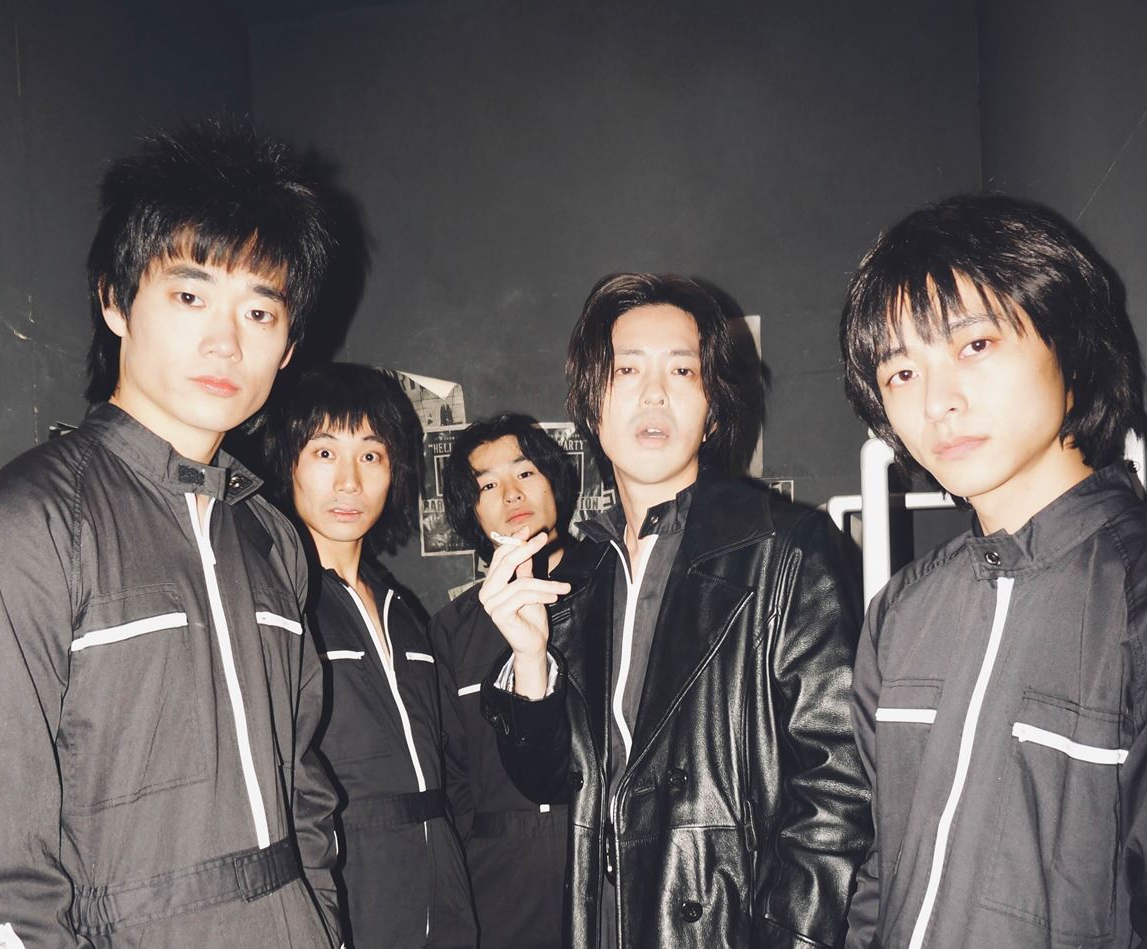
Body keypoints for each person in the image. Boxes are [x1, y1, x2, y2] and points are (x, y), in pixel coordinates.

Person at [0, 122, 344, 947]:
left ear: (287, 346)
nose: (226, 341)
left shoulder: (271, 537)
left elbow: (305, 792)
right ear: (115, 300)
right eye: (190, 296)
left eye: (260, 310)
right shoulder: (21, 526)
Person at [478, 273, 872, 948]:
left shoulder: (788, 548)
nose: (654, 393)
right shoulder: (581, 573)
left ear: (712, 406)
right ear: (591, 404)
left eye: (682, 370)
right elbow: (547, 781)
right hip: (605, 922)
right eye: (627, 369)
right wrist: (530, 658)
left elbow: (839, 789)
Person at [839, 193, 1147, 948]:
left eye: (974, 345)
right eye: (901, 372)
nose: (937, 402)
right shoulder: (902, 610)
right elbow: (877, 872)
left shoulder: (1132, 598)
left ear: (1070, 345)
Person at [268, 363, 477, 949]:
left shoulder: (403, 610)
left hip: (444, 890)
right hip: (345, 891)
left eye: (370, 455)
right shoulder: (277, 602)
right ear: (288, 464)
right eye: (324, 453)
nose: (349, 482)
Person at [430, 413, 578, 948]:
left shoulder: (617, 594)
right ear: (470, 512)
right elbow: (450, 781)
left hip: (604, 876)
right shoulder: (452, 629)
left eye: (526, 472)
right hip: (500, 891)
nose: (512, 493)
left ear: (555, 482)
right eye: (488, 485)